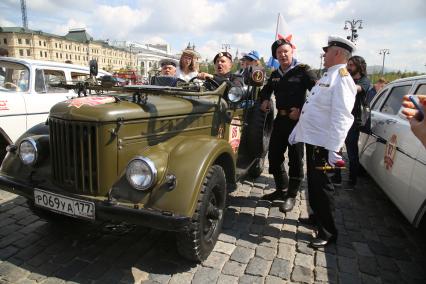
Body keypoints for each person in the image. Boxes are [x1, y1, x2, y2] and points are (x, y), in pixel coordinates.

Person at [288, 35, 357, 248]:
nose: (323, 54)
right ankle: (316, 217)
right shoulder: (329, 75)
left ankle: (328, 232)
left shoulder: (342, 78)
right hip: (315, 141)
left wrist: (334, 148)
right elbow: (313, 109)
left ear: (337, 53)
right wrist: (298, 131)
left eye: (327, 51)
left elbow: (342, 116)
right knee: (314, 184)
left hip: (325, 145)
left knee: (323, 187)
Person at [259, 38, 317, 213]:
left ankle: (291, 195)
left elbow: (317, 95)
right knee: (274, 157)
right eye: (279, 53)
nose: (283, 55)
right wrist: (265, 99)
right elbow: (266, 90)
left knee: (295, 160)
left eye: (286, 51)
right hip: (280, 121)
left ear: (292, 51)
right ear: (275, 56)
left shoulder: (303, 71)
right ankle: (281, 189)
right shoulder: (276, 74)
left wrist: (302, 111)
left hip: (297, 123)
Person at [331, 56, 371, 189]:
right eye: (348, 64)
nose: (349, 67)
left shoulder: (364, 81)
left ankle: (352, 180)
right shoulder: (345, 77)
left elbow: (354, 89)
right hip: (340, 118)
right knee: (336, 149)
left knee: (351, 153)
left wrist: (343, 74)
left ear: (359, 67)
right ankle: (336, 176)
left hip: (353, 122)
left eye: (352, 65)